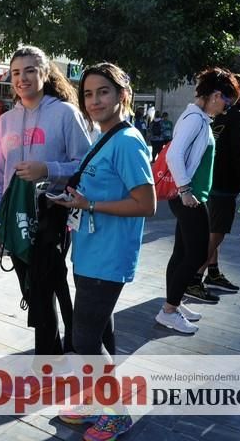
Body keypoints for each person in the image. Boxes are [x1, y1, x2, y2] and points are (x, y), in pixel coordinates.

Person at [54, 62, 155, 441]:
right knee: (100, 331)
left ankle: (118, 412)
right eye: (89, 93)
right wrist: (78, 200)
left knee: (84, 340)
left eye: (104, 92)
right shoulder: (105, 136)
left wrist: (90, 205)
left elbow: (146, 203)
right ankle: (98, 401)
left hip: (108, 256)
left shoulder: (127, 142)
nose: (95, 100)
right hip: (91, 252)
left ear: (122, 95)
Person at [0, 45, 91, 355]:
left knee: (42, 287)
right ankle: (68, 338)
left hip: (52, 215)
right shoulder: (5, 121)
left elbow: (85, 165)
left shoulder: (64, 113)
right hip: (15, 218)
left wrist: (49, 169)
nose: (22, 78)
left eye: (30, 70)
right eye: (16, 72)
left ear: (44, 74)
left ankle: (47, 358)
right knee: (37, 287)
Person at [155, 68, 239, 334]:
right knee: (197, 253)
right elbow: (174, 155)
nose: (225, 110)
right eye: (226, 103)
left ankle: (173, 303)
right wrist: (185, 189)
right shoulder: (195, 119)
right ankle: (168, 310)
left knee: (182, 252)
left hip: (190, 195)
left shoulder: (198, 117)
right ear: (216, 95)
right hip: (189, 198)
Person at [192, 73, 240, 298]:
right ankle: (194, 277)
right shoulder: (236, 116)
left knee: (212, 229)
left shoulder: (211, 112)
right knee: (217, 232)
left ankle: (213, 271)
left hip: (207, 181)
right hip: (224, 183)